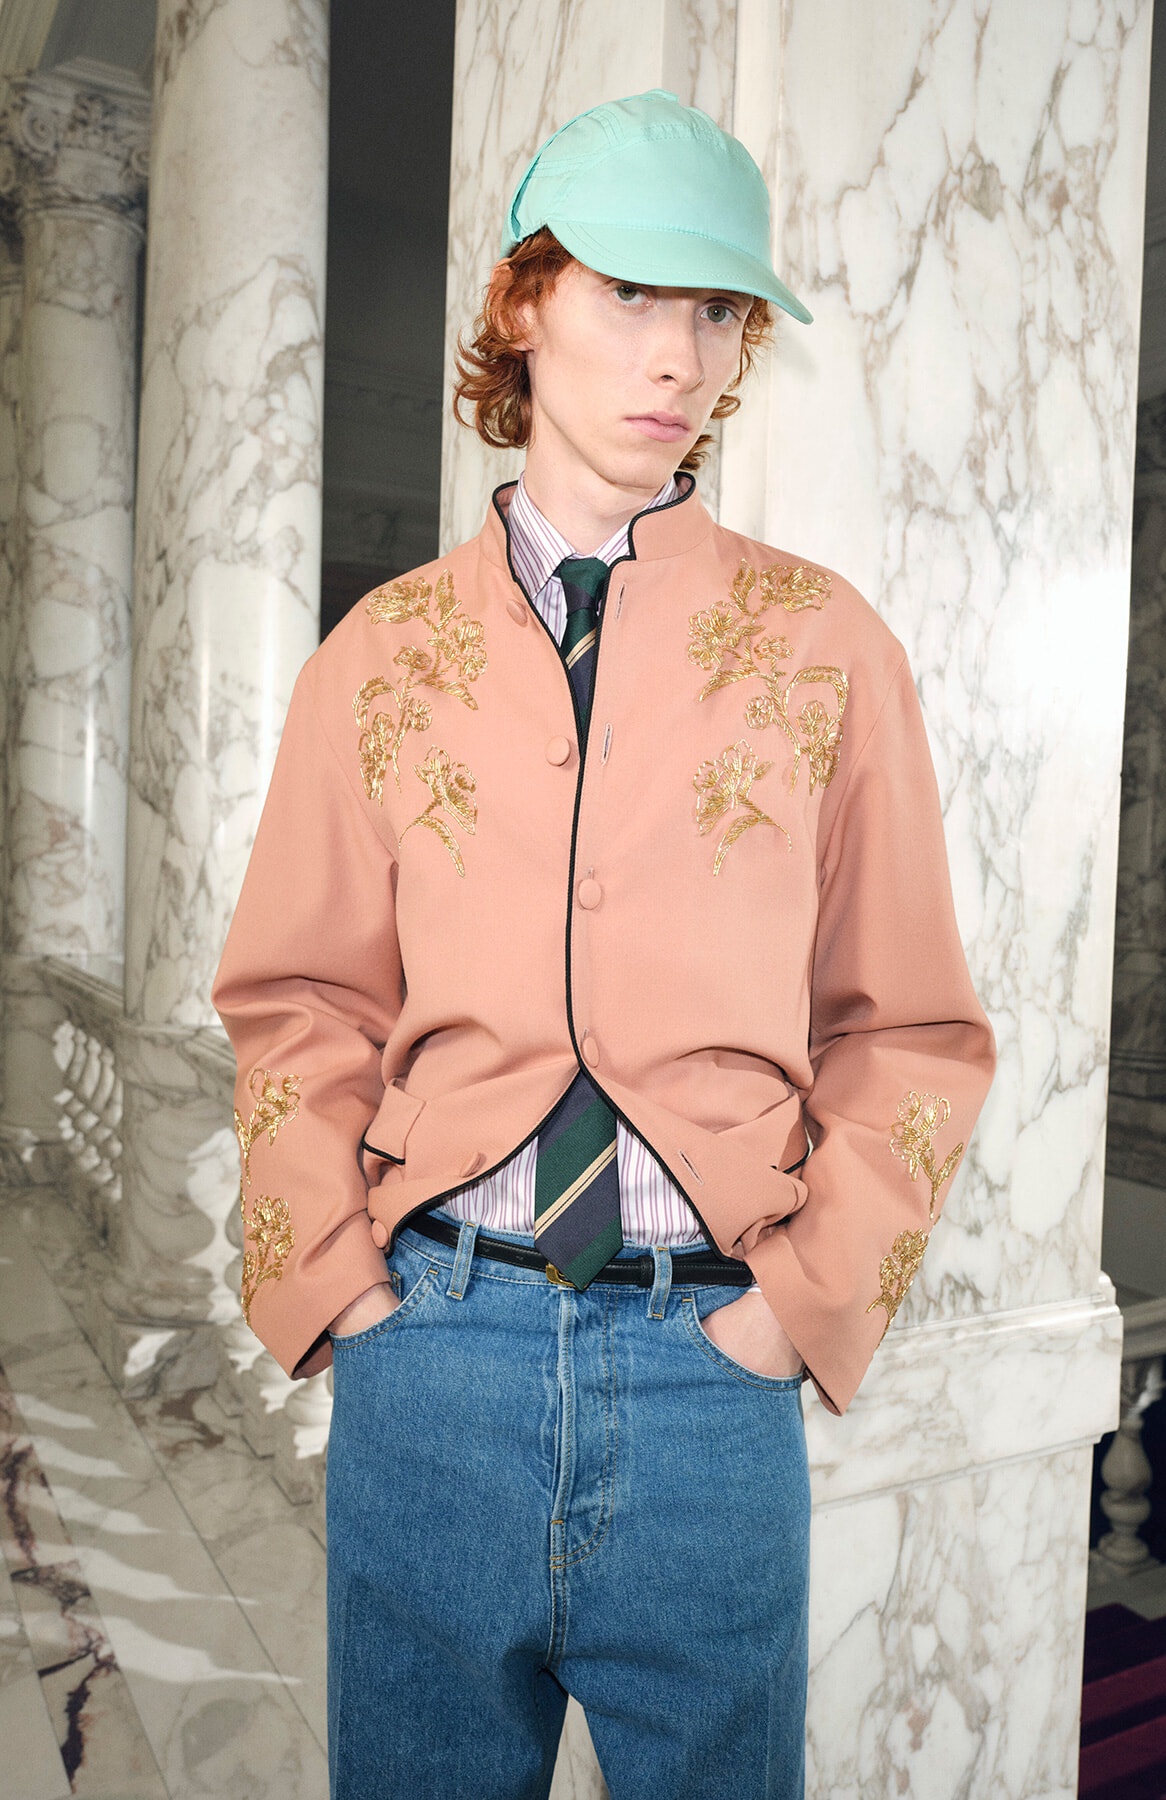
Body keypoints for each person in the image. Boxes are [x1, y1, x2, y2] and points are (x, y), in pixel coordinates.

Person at [213, 89, 995, 1800]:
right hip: (433, 1355)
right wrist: (344, 1296)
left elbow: (914, 1028)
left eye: (718, 311)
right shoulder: (382, 653)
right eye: (632, 294)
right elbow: (297, 1001)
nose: (681, 356)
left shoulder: (825, 648)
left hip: (710, 1372)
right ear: (525, 301)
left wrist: (789, 1314)